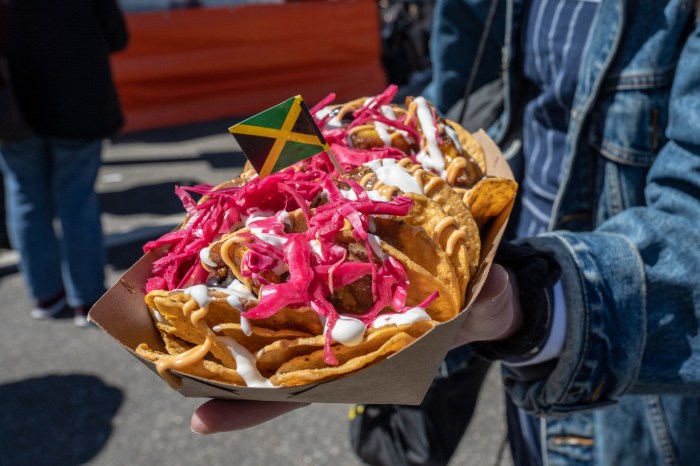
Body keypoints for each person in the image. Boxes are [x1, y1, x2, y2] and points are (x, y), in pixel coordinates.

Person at [190, 1, 700, 466]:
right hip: (501, 300)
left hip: (631, 354)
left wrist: (539, 306)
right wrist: (333, 155)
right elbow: (453, 105)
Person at [0, 0, 128, 326]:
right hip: (76, 100)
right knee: (77, 200)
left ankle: (45, 295)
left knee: (24, 196)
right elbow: (117, 37)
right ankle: (85, 299)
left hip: (12, 107)